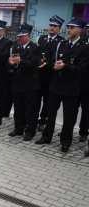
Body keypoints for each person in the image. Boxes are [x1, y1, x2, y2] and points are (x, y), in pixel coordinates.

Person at [35, 17, 89, 153]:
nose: (69, 30)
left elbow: (81, 69)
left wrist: (64, 67)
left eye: (72, 28)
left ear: (79, 30)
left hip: (71, 87)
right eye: (68, 27)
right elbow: (54, 62)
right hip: (56, 84)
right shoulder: (62, 44)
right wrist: (53, 65)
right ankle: (46, 137)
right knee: (50, 113)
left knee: (69, 116)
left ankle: (65, 142)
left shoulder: (84, 47)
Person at [8, 23, 42, 141]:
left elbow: (34, 63)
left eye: (21, 36)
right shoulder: (15, 47)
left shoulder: (35, 48)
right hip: (17, 82)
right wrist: (11, 64)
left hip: (30, 83)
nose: (18, 38)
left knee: (30, 110)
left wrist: (21, 62)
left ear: (28, 36)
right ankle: (18, 128)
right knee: (18, 108)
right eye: (18, 36)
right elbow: (11, 64)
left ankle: (30, 131)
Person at [36, 15, 65, 132]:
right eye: (50, 25)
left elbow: (57, 58)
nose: (51, 28)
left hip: (50, 75)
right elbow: (36, 52)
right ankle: (33, 119)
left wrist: (47, 63)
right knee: (36, 99)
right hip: (38, 74)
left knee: (47, 101)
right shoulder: (41, 38)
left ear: (59, 28)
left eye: (55, 26)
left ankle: (43, 120)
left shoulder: (61, 42)